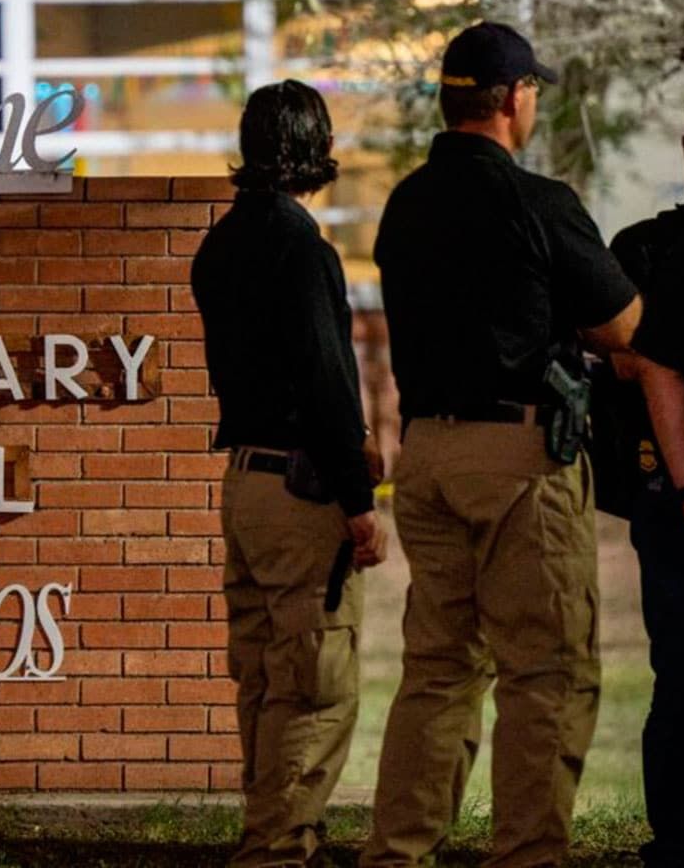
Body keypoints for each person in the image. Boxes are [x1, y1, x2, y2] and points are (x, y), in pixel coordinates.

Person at [360, 22, 641, 868]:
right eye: (532, 92)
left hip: (428, 457)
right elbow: (624, 326)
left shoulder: (406, 204)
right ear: (513, 98)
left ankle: (397, 853)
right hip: (519, 460)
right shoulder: (538, 202)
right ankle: (525, 855)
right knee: (546, 674)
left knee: (438, 671)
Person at [191, 79, 387, 868]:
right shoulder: (304, 250)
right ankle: (278, 845)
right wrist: (359, 501)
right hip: (302, 488)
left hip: (244, 481)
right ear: (319, 148)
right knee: (313, 681)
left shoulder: (219, 246)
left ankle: (274, 827)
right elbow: (326, 381)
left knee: (264, 676)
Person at [607, 82, 684, 868]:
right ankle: (674, 846)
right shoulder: (643, 250)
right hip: (674, 504)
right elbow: (627, 357)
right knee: (678, 683)